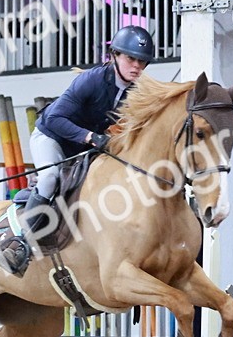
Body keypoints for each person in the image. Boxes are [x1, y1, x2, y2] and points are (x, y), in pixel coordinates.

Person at [21, 24, 155, 234]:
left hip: (80, 149)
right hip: (51, 138)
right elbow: (55, 118)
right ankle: (23, 239)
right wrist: (90, 136)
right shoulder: (92, 80)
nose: (137, 66)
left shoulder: (137, 91)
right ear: (115, 55)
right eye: (130, 59)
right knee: (49, 177)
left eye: (142, 61)